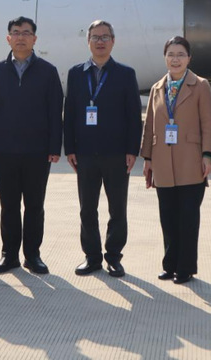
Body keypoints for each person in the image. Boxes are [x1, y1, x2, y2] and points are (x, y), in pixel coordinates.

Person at [0, 16, 64, 275]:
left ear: (34, 39)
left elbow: (55, 111)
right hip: (4, 151)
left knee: (34, 206)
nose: (21, 37)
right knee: (8, 206)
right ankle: (9, 255)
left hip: (37, 151)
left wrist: (54, 146)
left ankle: (33, 255)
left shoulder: (48, 71)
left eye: (26, 33)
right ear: (8, 38)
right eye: (16, 32)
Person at [63, 20, 141, 278]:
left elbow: (133, 115)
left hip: (116, 153)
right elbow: (70, 113)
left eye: (105, 37)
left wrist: (132, 150)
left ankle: (114, 257)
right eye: (95, 37)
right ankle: (92, 257)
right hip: (85, 153)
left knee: (117, 208)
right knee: (87, 208)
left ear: (113, 41)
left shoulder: (125, 74)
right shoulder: (76, 73)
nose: (100, 41)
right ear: (88, 41)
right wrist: (70, 148)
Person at [140, 36, 211, 284]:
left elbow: (208, 123)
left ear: (189, 58)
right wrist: (147, 158)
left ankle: (186, 267)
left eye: (181, 54)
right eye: (171, 54)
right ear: (165, 58)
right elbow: (149, 125)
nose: (175, 59)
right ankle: (169, 264)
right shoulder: (157, 88)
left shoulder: (200, 85)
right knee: (167, 217)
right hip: (162, 161)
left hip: (190, 160)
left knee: (188, 218)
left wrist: (207, 154)